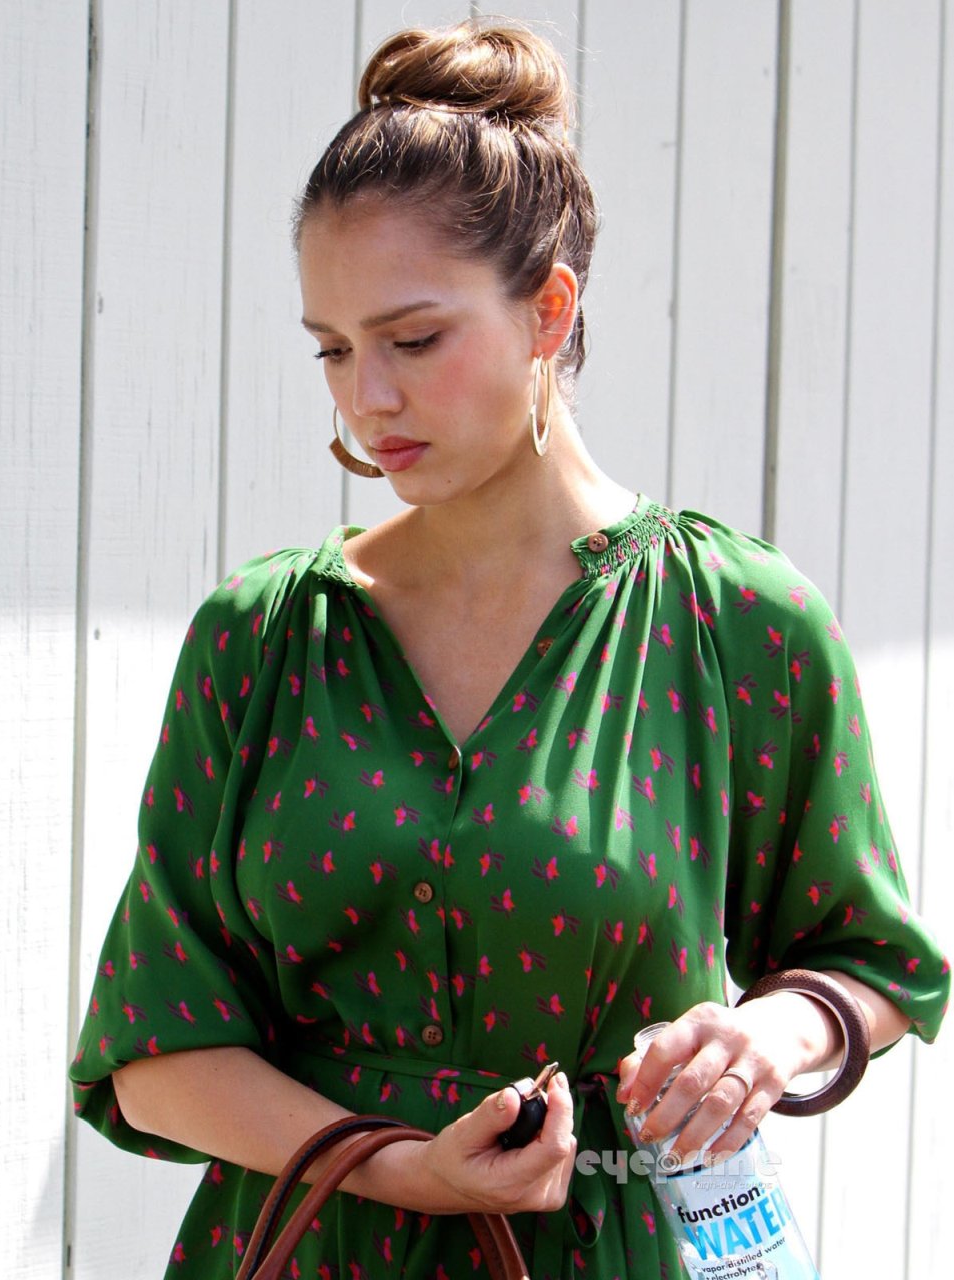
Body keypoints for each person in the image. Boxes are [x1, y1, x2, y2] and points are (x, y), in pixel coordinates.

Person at [69, 19, 948, 1279]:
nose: (366, 398)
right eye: (333, 347)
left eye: (412, 339)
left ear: (548, 309)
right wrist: (400, 1165)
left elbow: (872, 961)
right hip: (313, 1249)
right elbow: (154, 1051)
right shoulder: (262, 636)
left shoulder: (737, 620)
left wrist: (771, 1036)